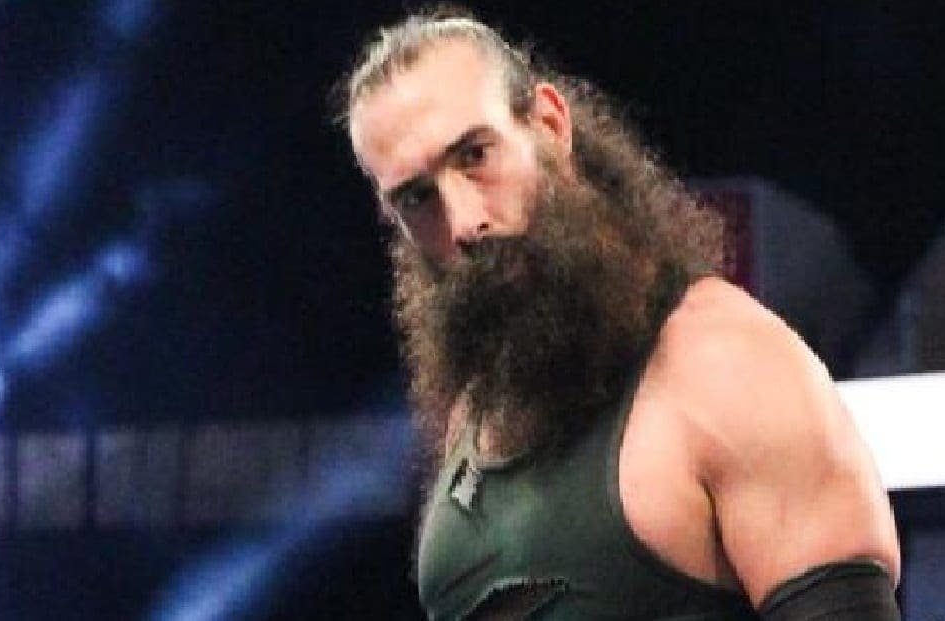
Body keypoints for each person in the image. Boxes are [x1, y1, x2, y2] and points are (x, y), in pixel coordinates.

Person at [337, 6, 901, 620]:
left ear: (550, 124)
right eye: (417, 198)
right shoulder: (479, 408)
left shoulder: (728, 364)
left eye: (475, 154)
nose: (463, 222)